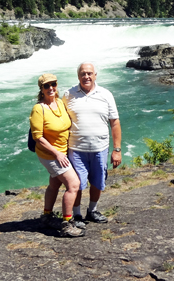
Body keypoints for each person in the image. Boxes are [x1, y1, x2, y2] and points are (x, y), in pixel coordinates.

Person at [63, 62, 122, 224]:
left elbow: (115, 123)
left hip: (100, 148)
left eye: (89, 73)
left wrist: (117, 149)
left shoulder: (106, 94)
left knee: (98, 181)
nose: (86, 76)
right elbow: (60, 120)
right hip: (76, 149)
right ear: (78, 76)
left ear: (95, 75)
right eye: (83, 73)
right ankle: (76, 214)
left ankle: (92, 210)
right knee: (77, 184)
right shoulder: (69, 95)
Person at [30, 73, 85, 238]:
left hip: (62, 152)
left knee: (55, 183)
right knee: (73, 184)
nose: (50, 88)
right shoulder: (39, 109)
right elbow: (38, 137)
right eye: (46, 86)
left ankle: (46, 217)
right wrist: (57, 154)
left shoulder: (60, 102)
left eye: (53, 84)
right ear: (41, 89)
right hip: (50, 154)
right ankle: (66, 224)